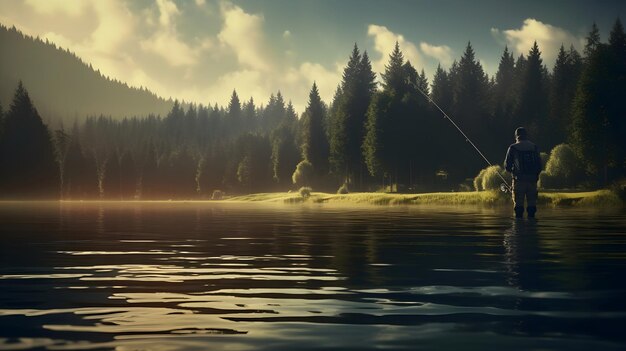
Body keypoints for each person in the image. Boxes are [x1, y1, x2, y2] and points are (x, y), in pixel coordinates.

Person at [504, 127, 542, 218]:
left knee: (519, 207)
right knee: (532, 206)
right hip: (532, 180)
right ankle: (532, 228)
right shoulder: (534, 147)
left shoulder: (513, 147)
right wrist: (535, 176)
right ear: (526, 135)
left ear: (516, 136)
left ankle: (519, 229)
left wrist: (513, 172)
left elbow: (507, 166)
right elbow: (539, 165)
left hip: (519, 181)